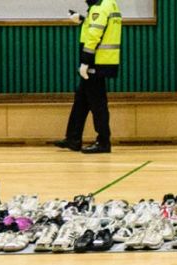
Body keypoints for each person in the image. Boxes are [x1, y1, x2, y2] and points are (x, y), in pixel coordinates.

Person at [53, 0, 122, 154]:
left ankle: (103, 142)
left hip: (96, 63)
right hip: (102, 61)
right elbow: (100, 28)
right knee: (81, 101)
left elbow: (94, 35)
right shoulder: (110, 4)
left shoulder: (99, 7)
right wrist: (82, 19)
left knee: (98, 103)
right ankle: (73, 138)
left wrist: (85, 61)